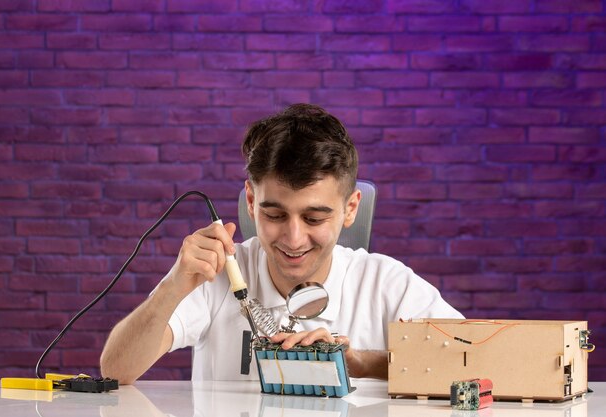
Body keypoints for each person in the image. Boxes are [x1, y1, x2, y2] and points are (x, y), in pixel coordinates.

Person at [100, 103, 463, 384]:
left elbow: (471, 364)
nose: (293, 239)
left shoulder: (386, 283)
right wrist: (172, 287)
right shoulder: (219, 274)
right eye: (274, 215)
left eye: (314, 218)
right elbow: (116, 371)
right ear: (251, 201)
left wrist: (362, 363)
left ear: (350, 208)